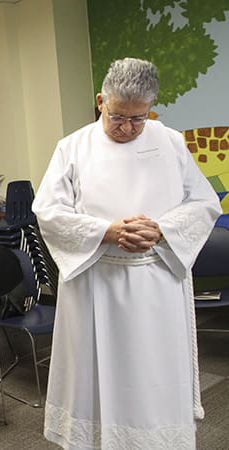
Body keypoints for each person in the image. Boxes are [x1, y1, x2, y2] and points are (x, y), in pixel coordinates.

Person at [32, 57, 222, 449]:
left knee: (153, 375)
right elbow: (47, 212)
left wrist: (162, 229)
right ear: (101, 101)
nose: (128, 128)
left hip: (158, 280)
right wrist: (106, 231)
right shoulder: (73, 147)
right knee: (101, 375)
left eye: (139, 119)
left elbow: (204, 203)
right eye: (118, 117)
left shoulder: (170, 141)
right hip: (97, 281)